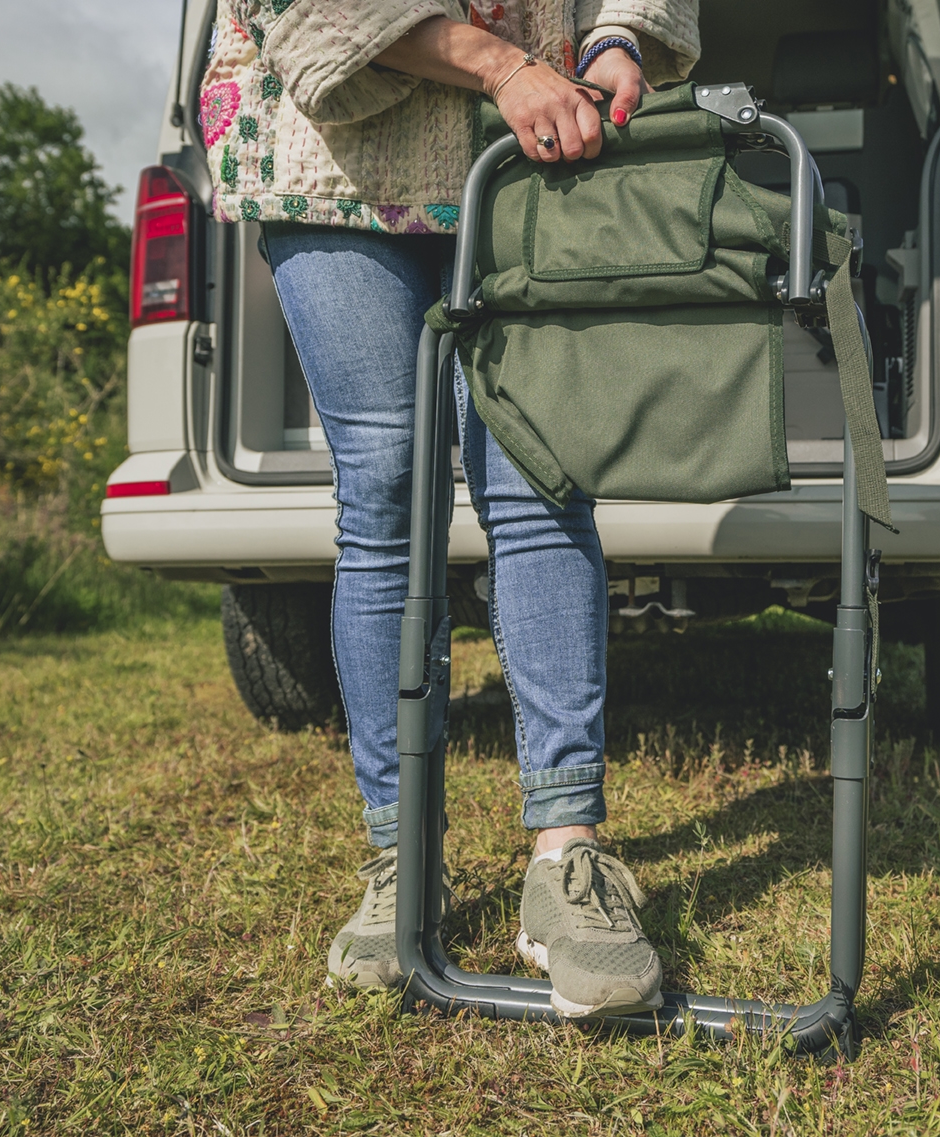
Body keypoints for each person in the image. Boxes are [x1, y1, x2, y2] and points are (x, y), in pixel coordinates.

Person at [200, 0, 701, 1019]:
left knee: (541, 479)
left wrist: (618, 39)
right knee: (383, 496)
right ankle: (404, 856)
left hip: (534, 162)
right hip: (337, 161)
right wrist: (500, 67)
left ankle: (567, 858)